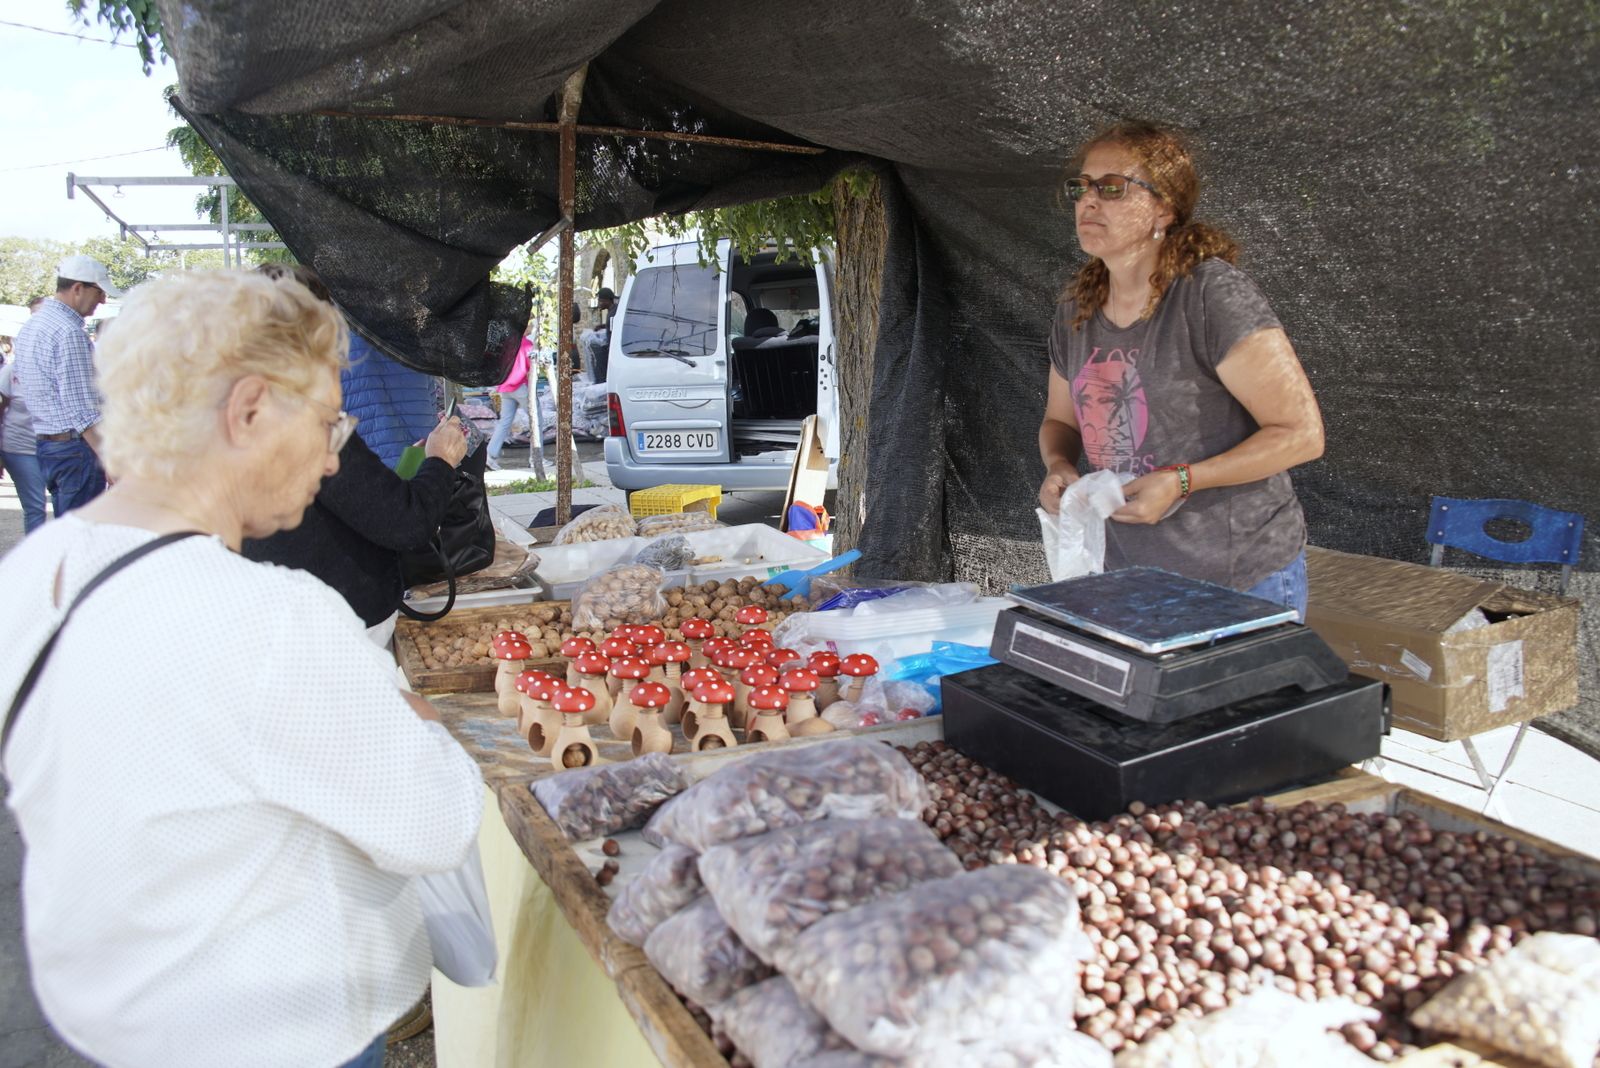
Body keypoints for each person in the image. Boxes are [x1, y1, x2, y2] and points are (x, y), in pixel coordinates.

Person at [0, 270, 483, 1068]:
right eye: (329, 425)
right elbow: (436, 821)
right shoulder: (274, 619)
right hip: (278, 1028)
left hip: (124, 1020)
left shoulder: (32, 571)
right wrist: (417, 720)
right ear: (251, 410)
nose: (332, 458)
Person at [1038, 120, 1324, 616]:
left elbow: (1301, 434)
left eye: (1112, 187)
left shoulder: (1210, 294)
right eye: (1081, 187)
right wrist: (1059, 467)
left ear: (1164, 208)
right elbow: (1060, 421)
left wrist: (1182, 480)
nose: (1089, 200)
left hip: (1234, 577)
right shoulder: (1076, 308)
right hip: (1124, 573)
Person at [243, 263, 469, 648]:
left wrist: (413, 469)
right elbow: (405, 525)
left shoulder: (236, 415)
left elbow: (344, 499)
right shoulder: (303, 420)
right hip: (334, 629)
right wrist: (441, 461)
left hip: (277, 618)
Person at [12, 256, 118, 515]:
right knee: (82, 535)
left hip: (50, 445)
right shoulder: (69, 333)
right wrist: (111, 460)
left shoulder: (33, 326)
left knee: (70, 529)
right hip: (76, 449)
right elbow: (83, 411)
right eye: (99, 292)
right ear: (78, 288)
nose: (103, 300)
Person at [0, 296, 50, 531]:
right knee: (36, 507)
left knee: (67, 508)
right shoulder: (11, 371)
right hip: (20, 448)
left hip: (59, 447)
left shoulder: (61, 362)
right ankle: (37, 562)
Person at [486, 318, 548, 475]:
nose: (531, 328)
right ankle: (536, 458)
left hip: (505, 386)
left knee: (504, 422)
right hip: (520, 386)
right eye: (530, 326)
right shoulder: (527, 344)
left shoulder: (507, 344)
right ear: (524, 327)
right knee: (536, 421)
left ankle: (490, 454)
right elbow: (532, 368)